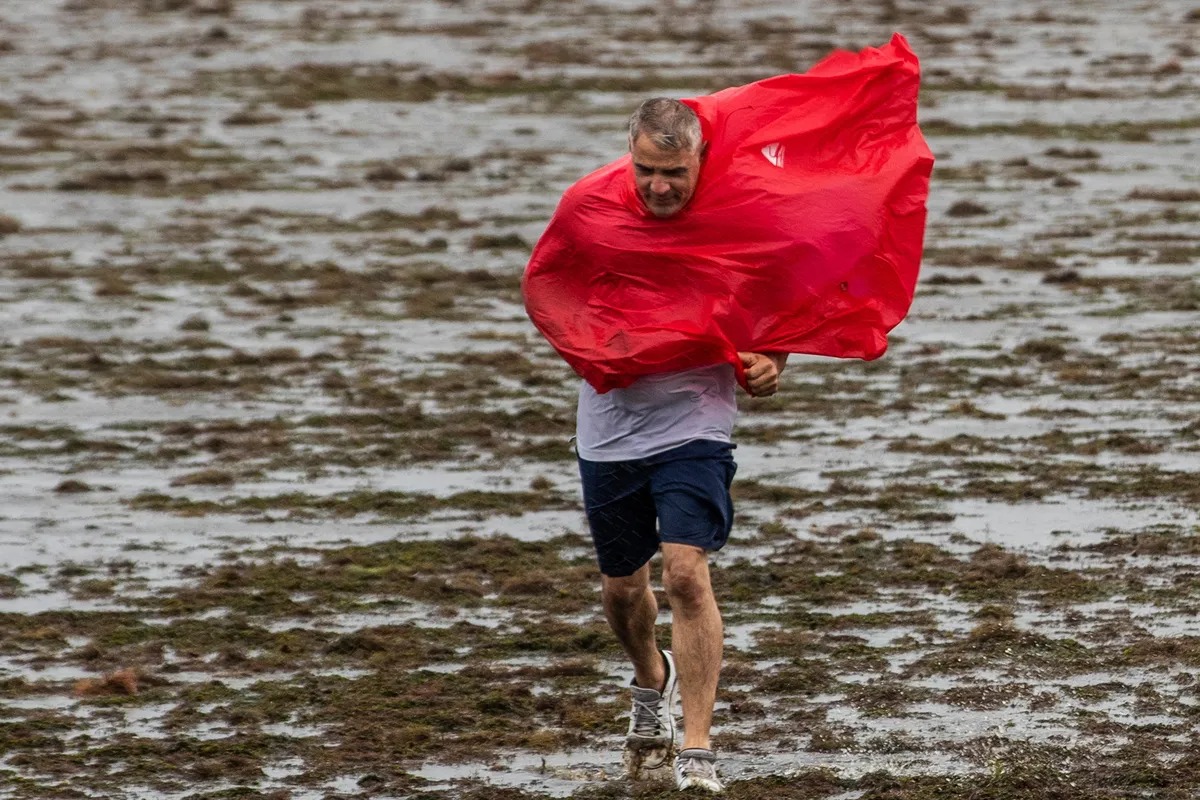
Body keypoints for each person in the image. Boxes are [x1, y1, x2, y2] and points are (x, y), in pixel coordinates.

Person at [571, 97, 788, 794]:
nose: (658, 186)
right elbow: (556, 294)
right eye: (646, 170)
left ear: (702, 161)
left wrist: (773, 359)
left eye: (673, 172)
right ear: (627, 157)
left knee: (687, 573)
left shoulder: (738, 221)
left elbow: (778, 298)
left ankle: (697, 749)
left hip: (696, 421)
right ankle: (648, 679)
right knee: (621, 588)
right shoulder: (591, 216)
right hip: (610, 426)